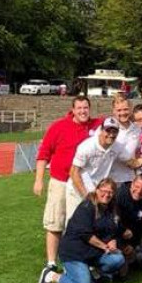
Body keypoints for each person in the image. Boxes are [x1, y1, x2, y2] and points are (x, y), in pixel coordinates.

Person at [34, 96, 96, 272]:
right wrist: (39, 180)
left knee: (79, 224)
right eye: (79, 108)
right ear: (73, 109)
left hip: (82, 184)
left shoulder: (95, 126)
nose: (83, 111)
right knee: (55, 222)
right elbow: (44, 154)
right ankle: (51, 262)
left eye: (86, 108)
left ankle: (76, 260)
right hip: (60, 181)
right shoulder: (59, 127)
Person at [38, 178, 127, 283]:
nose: (106, 194)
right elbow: (85, 234)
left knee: (118, 259)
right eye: (103, 190)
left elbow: (113, 228)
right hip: (75, 252)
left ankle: (93, 274)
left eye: (110, 192)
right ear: (97, 190)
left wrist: (113, 240)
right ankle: (51, 276)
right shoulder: (87, 206)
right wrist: (105, 247)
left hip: (93, 252)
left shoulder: (111, 208)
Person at [70, 118, 142, 206]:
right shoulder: (87, 147)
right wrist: (86, 196)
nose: (111, 134)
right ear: (101, 130)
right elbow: (74, 172)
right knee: (76, 218)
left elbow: (132, 164)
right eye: (108, 130)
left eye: (114, 131)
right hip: (77, 190)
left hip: (97, 190)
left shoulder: (117, 147)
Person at [115, 174, 142, 264]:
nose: (139, 191)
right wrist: (123, 230)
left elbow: (141, 227)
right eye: (137, 186)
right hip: (114, 234)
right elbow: (112, 219)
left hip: (130, 237)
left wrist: (132, 244)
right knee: (119, 262)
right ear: (132, 184)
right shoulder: (119, 195)